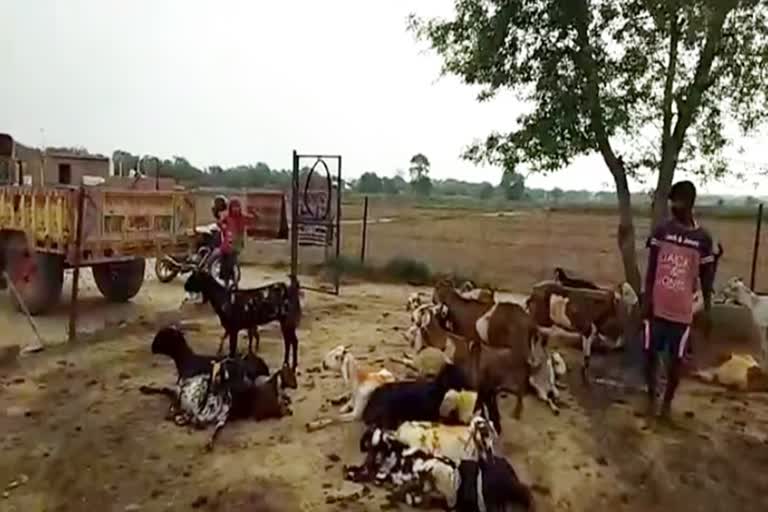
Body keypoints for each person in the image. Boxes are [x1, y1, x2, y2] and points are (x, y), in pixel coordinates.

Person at [643, 180, 715, 420]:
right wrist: (646, 300)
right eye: (672, 201)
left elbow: (706, 279)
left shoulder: (703, 239)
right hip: (657, 307)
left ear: (690, 203)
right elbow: (651, 269)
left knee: (677, 361)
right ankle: (651, 395)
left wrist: (707, 309)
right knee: (649, 355)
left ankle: (666, 404)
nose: (674, 206)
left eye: (679, 201)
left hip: (682, 312)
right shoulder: (662, 231)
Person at [218, 198, 246, 286]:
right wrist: (224, 228)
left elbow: (254, 219)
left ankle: (234, 284)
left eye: (237, 207)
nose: (235, 209)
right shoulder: (227, 217)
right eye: (233, 207)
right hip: (226, 244)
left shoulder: (242, 218)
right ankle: (226, 285)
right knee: (224, 265)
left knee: (231, 264)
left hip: (236, 244)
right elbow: (220, 223)